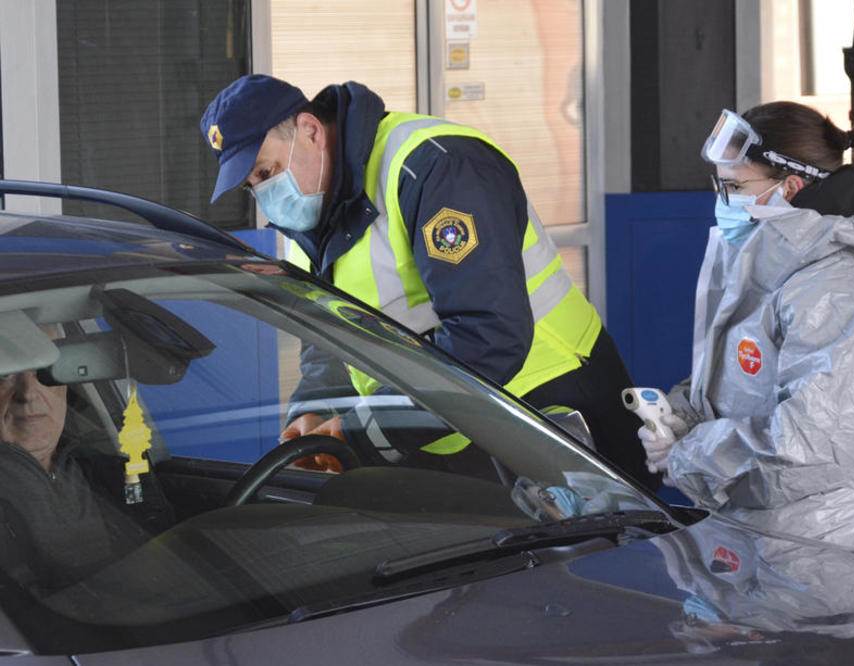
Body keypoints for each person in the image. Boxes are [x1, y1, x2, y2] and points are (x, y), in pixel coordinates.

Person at [200, 75, 657, 488]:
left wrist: (364, 432)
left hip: (547, 411)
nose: (265, 195)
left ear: (311, 131)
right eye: (252, 186)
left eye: (266, 172)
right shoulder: (309, 215)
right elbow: (329, 339)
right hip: (441, 430)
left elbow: (488, 335)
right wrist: (317, 410)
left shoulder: (437, 167)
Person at [637, 102, 854, 555]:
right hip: (759, 531)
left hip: (823, 545)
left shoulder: (840, 294)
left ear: (789, 187)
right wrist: (682, 420)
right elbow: (747, 382)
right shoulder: (773, 272)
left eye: (734, 186)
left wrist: (691, 454)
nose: (722, 200)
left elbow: (813, 443)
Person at [0, 360, 173, 591]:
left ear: (65, 388)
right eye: (5, 374)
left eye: (45, 373)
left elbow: (166, 555)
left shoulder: (114, 472)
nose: (28, 394)